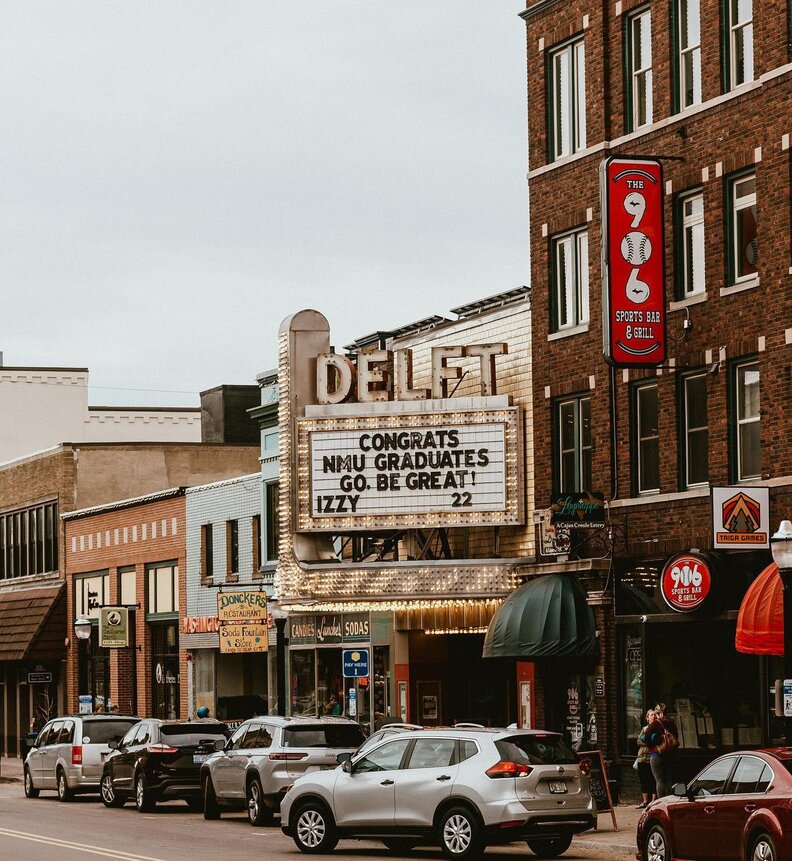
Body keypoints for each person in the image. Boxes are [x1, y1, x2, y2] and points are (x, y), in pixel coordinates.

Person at [640, 702, 677, 797]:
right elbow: (676, 737)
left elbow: (646, 736)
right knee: (669, 779)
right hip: (669, 754)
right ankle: (670, 800)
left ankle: (661, 802)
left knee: (659, 780)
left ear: (657, 713)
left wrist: (654, 744)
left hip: (657, 755)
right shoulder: (671, 723)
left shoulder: (656, 723)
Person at [636, 709, 657, 808]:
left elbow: (656, 741)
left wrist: (646, 740)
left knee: (653, 779)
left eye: (654, 715)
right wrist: (648, 741)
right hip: (642, 758)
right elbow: (638, 741)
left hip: (651, 757)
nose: (653, 716)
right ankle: (645, 801)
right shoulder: (644, 729)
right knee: (643, 780)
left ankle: (653, 800)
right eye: (651, 715)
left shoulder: (657, 728)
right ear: (647, 718)